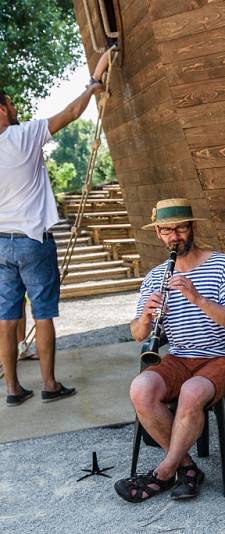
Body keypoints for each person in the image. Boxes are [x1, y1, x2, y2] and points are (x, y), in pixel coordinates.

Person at [113, 198, 225, 502]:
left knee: (191, 392)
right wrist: (147, 316)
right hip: (179, 356)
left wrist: (198, 299)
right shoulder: (155, 277)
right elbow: (138, 334)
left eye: (180, 229)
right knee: (141, 388)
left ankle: (163, 473)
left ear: (193, 228)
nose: (174, 237)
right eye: (166, 231)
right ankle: (186, 468)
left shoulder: (221, 264)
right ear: (158, 234)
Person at [0, 49, 112, 406]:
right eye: (11, 105)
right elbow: (72, 113)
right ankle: (49, 384)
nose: (16, 109)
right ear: (2, 110)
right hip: (33, 240)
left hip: (1, 244)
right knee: (44, 313)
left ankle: (13, 390)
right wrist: (94, 84)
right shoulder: (24, 135)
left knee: (5, 317)